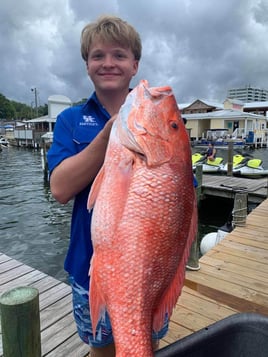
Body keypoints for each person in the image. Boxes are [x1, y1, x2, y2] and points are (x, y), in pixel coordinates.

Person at [47, 15, 168, 357]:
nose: (108, 63)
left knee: (145, 344)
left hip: (149, 270)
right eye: (98, 56)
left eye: (119, 55)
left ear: (135, 64)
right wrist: (110, 135)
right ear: (87, 65)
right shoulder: (70, 120)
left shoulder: (158, 117)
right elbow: (59, 189)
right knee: (101, 351)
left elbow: (179, 196)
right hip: (91, 269)